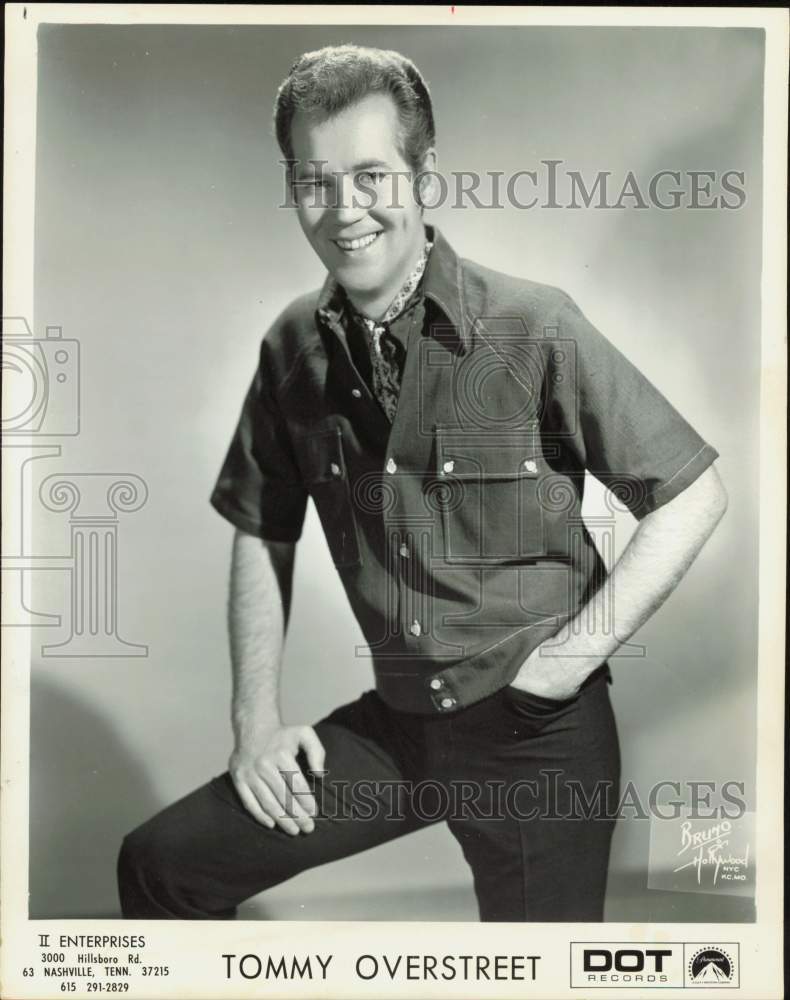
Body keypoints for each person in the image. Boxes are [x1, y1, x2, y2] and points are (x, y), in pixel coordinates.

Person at [117, 43, 728, 921]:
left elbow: (692, 495)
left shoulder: (532, 323)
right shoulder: (293, 346)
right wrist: (255, 721)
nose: (343, 210)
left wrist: (562, 665)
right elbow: (262, 523)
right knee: (162, 867)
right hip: (399, 732)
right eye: (314, 179)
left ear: (423, 173)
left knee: (536, 983)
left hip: (537, 738)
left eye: (370, 174)